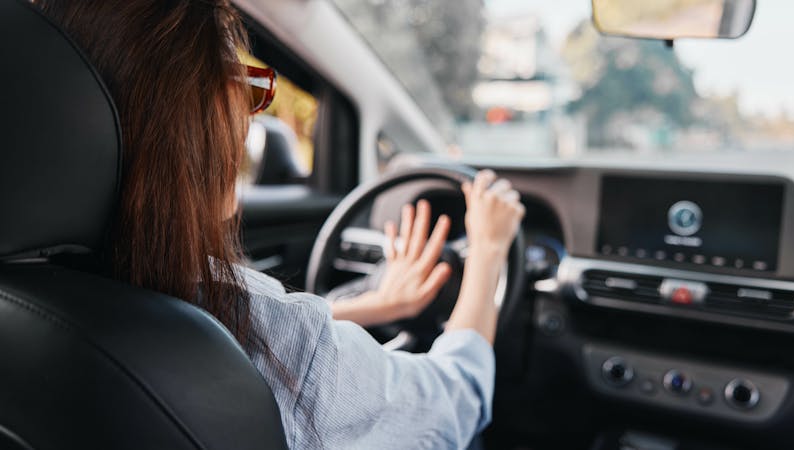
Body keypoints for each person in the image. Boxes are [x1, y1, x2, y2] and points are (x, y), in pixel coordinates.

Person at [36, 1, 525, 448]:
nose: (249, 117)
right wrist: (487, 252)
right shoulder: (276, 343)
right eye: (246, 86)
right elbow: (455, 401)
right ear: (198, 110)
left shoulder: (33, 300)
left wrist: (373, 306)